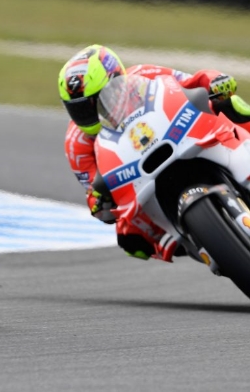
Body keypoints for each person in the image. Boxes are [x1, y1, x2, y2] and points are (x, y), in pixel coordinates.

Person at [58, 44, 250, 262]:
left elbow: (192, 82)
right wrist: (98, 201)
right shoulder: (76, 143)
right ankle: (188, 239)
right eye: (79, 109)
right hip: (139, 179)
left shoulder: (144, 74)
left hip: (177, 135)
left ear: (116, 80)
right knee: (129, 238)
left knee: (230, 104)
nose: (88, 113)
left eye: (96, 101)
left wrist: (215, 81)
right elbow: (93, 189)